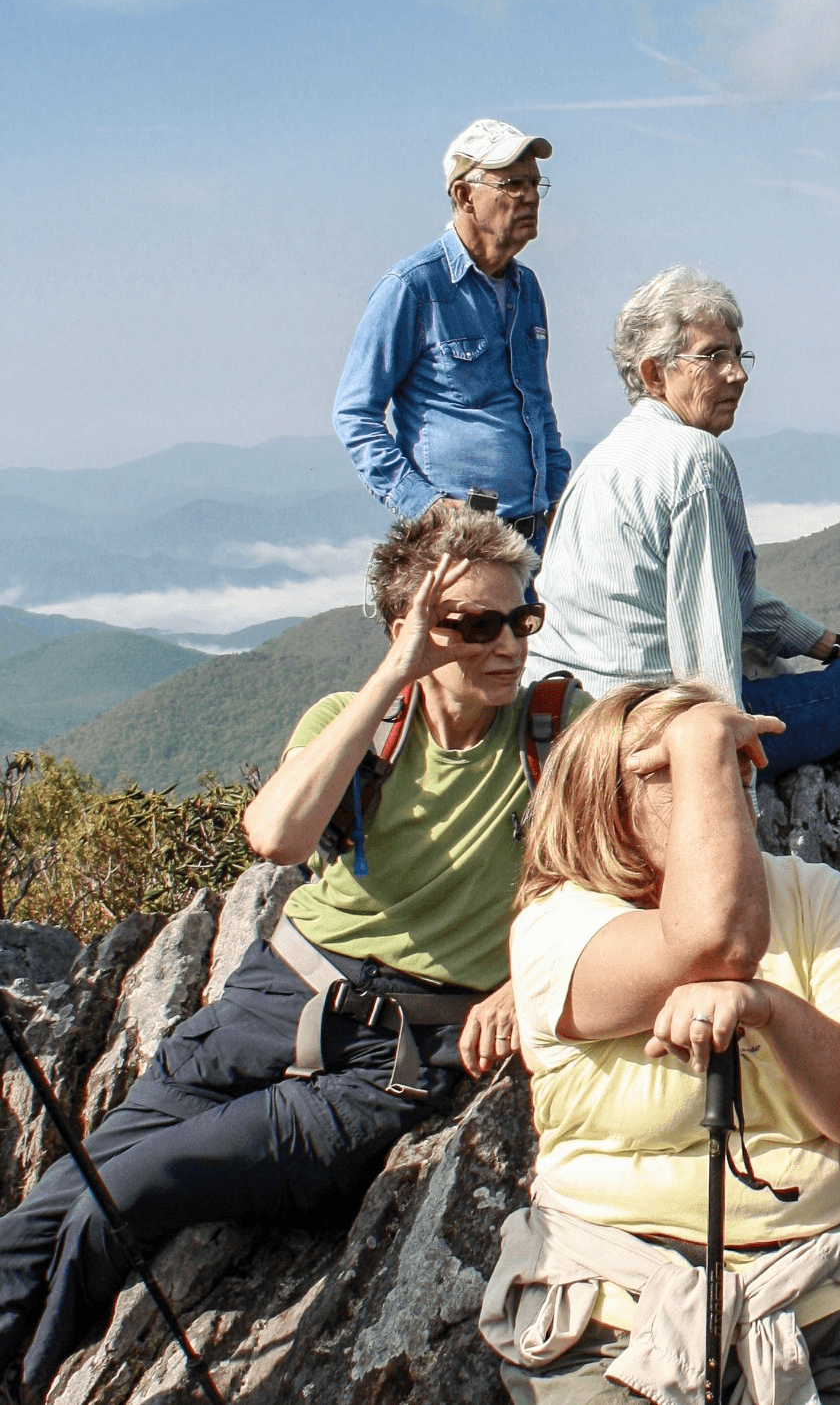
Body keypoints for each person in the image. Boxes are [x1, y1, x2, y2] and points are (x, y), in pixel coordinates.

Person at [0, 507, 570, 1398]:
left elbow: (629, 868)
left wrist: (521, 986)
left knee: (129, 1193)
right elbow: (276, 833)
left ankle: (34, 1381)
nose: (508, 643)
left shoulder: (555, 732)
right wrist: (396, 675)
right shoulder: (356, 720)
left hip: (392, 1056)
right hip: (272, 1001)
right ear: (410, 630)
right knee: (36, 1221)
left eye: (521, 616)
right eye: (474, 624)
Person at [480, 682, 840, 1403]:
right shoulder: (557, 925)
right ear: (605, 796)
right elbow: (713, 939)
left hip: (828, 1298)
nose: (725, 786)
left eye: (735, 767)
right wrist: (704, 735)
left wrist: (771, 1009)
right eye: (678, 771)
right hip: (617, 1317)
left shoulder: (813, 896)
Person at [524, 265, 840, 803]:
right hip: (654, 738)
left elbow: (732, 597)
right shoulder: (694, 460)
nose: (737, 374)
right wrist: (728, 804)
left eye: (738, 354)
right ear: (655, 373)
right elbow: (708, 652)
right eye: (714, 356)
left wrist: (835, 646)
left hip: (575, 732)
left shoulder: (602, 461)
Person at [334, 119, 571, 542]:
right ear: (464, 195)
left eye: (536, 184)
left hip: (535, 539)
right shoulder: (413, 286)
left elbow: (537, 405)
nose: (532, 197)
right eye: (514, 184)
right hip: (458, 546)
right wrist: (422, 505)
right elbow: (355, 414)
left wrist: (557, 494)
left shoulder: (527, 288)